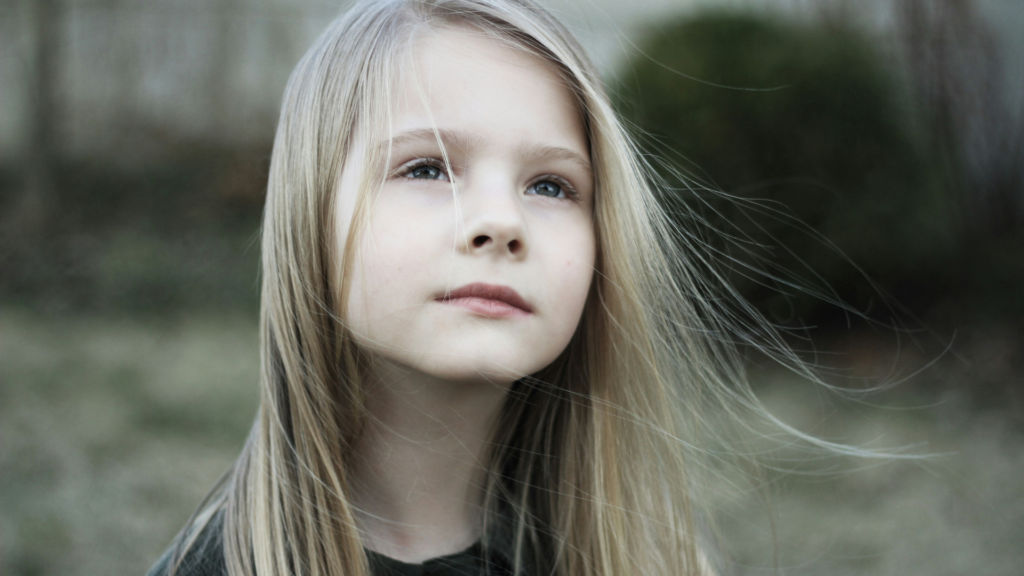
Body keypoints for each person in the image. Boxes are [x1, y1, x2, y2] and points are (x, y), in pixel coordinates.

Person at [148, 0, 817, 574]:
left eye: (551, 186)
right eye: (428, 168)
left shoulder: (643, 558)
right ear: (309, 217)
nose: (502, 221)